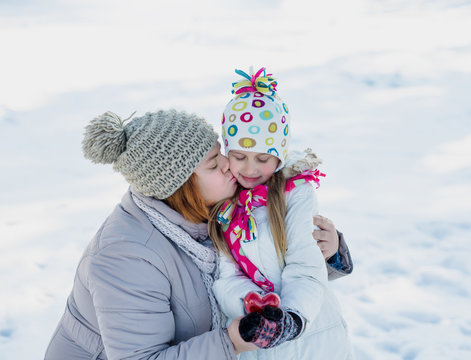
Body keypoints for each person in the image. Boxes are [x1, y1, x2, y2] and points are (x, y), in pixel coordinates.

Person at [44, 109, 352, 359]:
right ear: (181, 185)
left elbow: (266, 264)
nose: (231, 168)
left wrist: (325, 250)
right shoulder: (125, 258)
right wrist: (233, 340)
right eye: (214, 164)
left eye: (222, 155)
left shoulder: (217, 208)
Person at [209, 68, 354, 359]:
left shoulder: (294, 194)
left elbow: (304, 265)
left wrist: (292, 319)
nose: (249, 170)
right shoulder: (224, 203)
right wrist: (253, 306)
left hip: (314, 336)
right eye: (239, 157)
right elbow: (226, 275)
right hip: (257, 344)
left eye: (262, 158)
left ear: (279, 154)